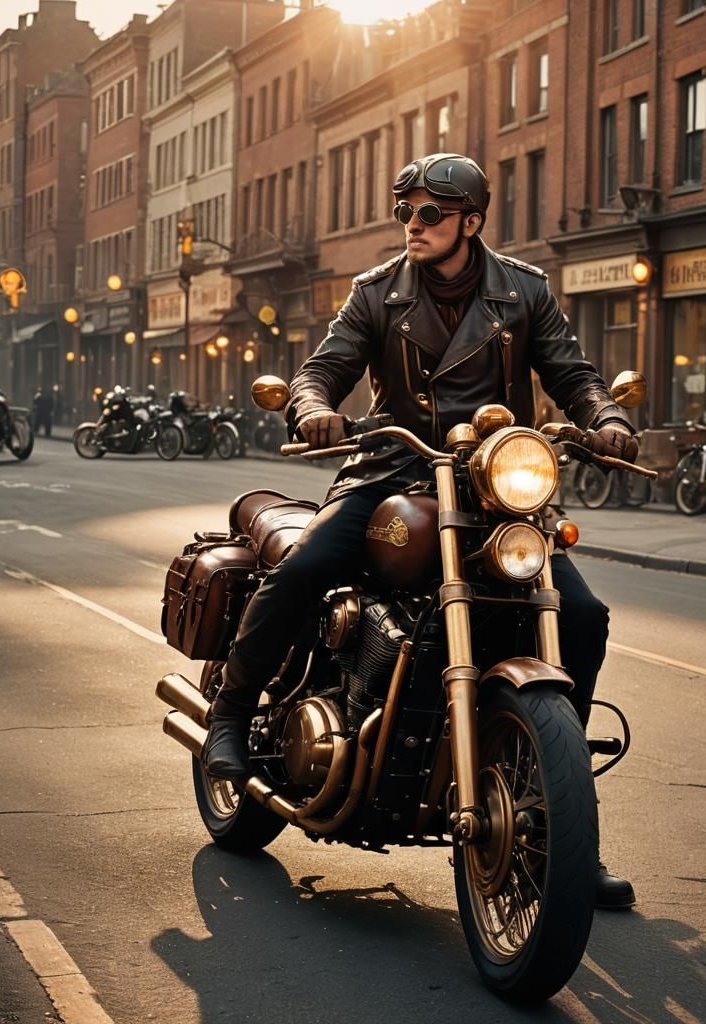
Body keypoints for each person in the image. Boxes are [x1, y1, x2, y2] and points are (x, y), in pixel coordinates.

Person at [205, 153, 640, 909]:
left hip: (493, 495)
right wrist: (312, 409)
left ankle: (564, 824)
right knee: (302, 569)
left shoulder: (525, 292)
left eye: (430, 214)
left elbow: (572, 374)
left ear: (470, 221)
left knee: (585, 617)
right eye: (405, 212)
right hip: (393, 473)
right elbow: (323, 369)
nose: (412, 225)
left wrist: (603, 417)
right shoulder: (376, 294)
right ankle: (231, 717)